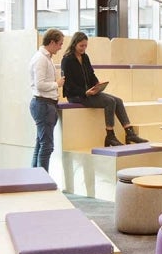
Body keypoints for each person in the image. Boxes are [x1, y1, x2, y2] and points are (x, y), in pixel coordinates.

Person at [60, 32, 148, 147]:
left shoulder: (85, 57)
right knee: (109, 101)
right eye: (81, 46)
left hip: (89, 92)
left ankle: (129, 132)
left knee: (118, 100)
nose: (83, 48)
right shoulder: (67, 60)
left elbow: (91, 74)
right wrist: (84, 92)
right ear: (74, 44)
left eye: (85, 45)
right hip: (76, 96)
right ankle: (110, 136)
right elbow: (69, 85)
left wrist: (97, 84)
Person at [29, 28, 65, 171]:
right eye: (60, 44)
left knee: (41, 143)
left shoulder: (46, 58)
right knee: (47, 146)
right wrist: (57, 84)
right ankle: (42, 180)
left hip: (46, 104)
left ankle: (36, 178)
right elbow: (40, 85)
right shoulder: (41, 59)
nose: (61, 47)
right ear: (52, 42)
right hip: (43, 104)